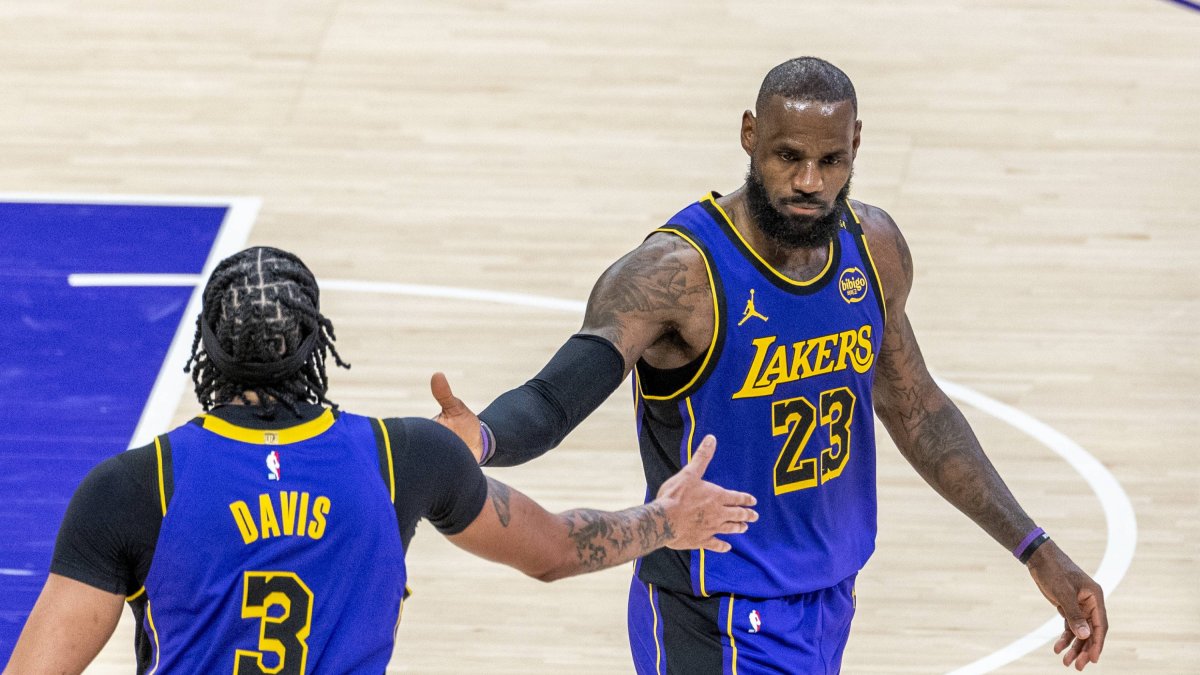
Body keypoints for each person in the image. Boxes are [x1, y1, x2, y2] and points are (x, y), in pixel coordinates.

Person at [430, 57, 1108, 673]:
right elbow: (555, 397)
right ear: (750, 135)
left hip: (829, 600)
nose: (809, 182)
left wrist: (1034, 547)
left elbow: (917, 409)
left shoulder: (873, 249)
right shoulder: (677, 275)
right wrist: (481, 436)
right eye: (788, 156)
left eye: (831, 160)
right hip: (714, 615)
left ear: (856, 145)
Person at [3, 246, 758, 674]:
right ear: (318, 345)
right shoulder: (403, 457)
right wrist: (666, 519)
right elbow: (556, 550)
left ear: (206, 350)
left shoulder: (134, 488)